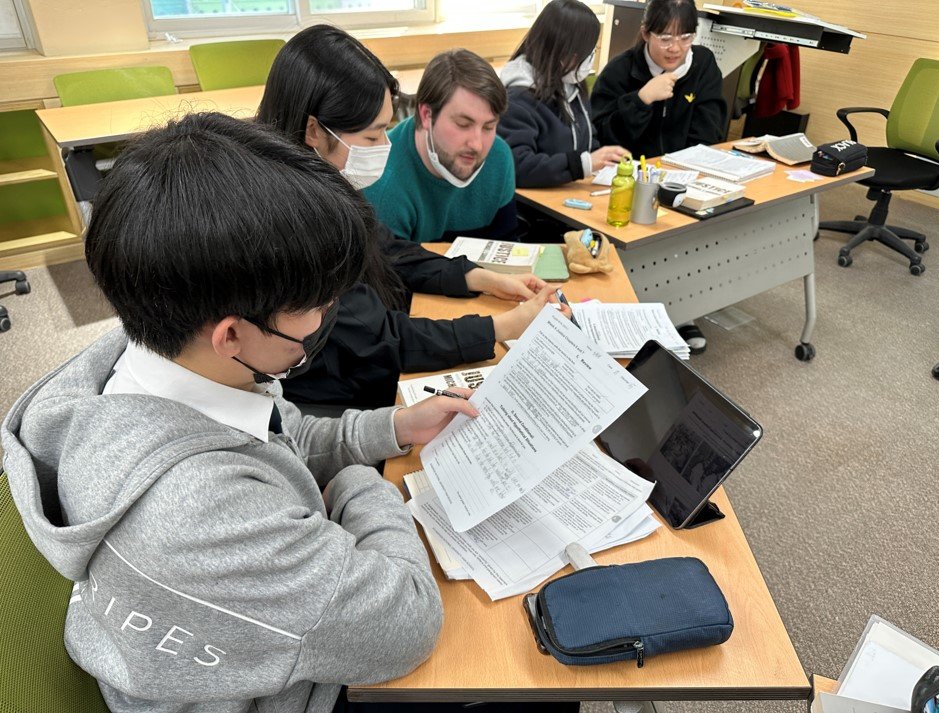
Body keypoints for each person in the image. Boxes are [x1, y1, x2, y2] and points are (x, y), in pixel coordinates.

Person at [0, 112, 482, 713]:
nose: (327, 314)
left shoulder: (162, 359)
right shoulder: (202, 517)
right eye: (315, 306)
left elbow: (276, 435)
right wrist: (360, 482)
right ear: (231, 333)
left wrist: (389, 429)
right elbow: (404, 624)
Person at [257, 26, 563, 408]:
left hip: (360, 368)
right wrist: (502, 327)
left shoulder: (319, 183)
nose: (386, 146)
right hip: (330, 400)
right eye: (372, 137)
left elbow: (387, 248)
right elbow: (379, 338)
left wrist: (479, 277)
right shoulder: (289, 223)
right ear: (314, 131)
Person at [590, 0, 728, 353]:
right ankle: (630, 317)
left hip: (683, 175)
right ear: (645, 33)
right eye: (665, 38)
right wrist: (641, 99)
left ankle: (680, 312)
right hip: (625, 180)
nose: (675, 48)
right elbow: (603, 135)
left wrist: (686, 171)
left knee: (693, 231)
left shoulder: (703, 65)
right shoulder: (621, 71)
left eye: (685, 37)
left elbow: (710, 128)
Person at [363, 49, 519, 244]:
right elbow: (398, 270)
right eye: (463, 124)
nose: (477, 145)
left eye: (488, 127)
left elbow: (508, 250)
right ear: (427, 115)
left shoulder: (499, 157)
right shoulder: (382, 180)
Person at [498, 0, 628, 188]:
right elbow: (518, 166)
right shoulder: (519, 99)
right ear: (563, 52)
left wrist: (605, 162)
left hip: (572, 193)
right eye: (586, 53)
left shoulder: (571, 85)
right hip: (537, 208)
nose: (589, 59)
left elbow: (588, 142)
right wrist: (584, 164)